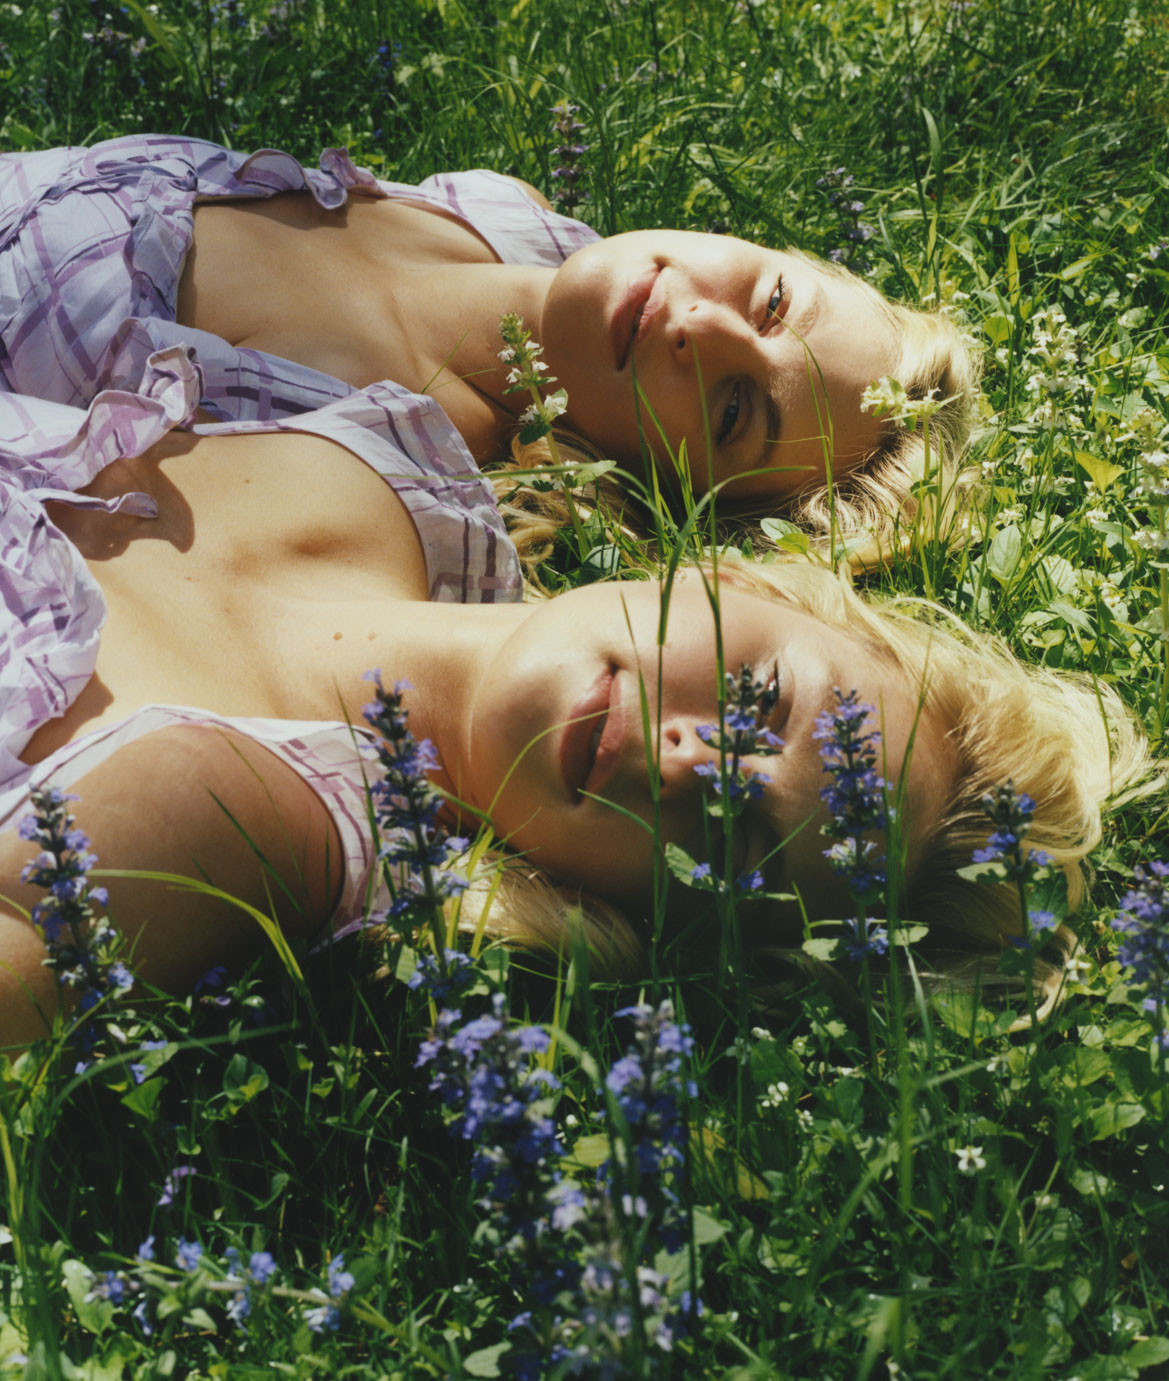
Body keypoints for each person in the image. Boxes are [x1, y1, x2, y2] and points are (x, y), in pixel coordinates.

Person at [0, 352, 1149, 1047]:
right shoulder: (401, 463)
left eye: (735, 840)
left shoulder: (226, 817)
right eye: (759, 699)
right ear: (740, 583)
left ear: (640, 917)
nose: (697, 762)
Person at [0, 134, 977, 549]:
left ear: (665, 489)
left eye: (731, 410)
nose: (702, 329)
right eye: (770, 302)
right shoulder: (505, 216)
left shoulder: (381, 462)